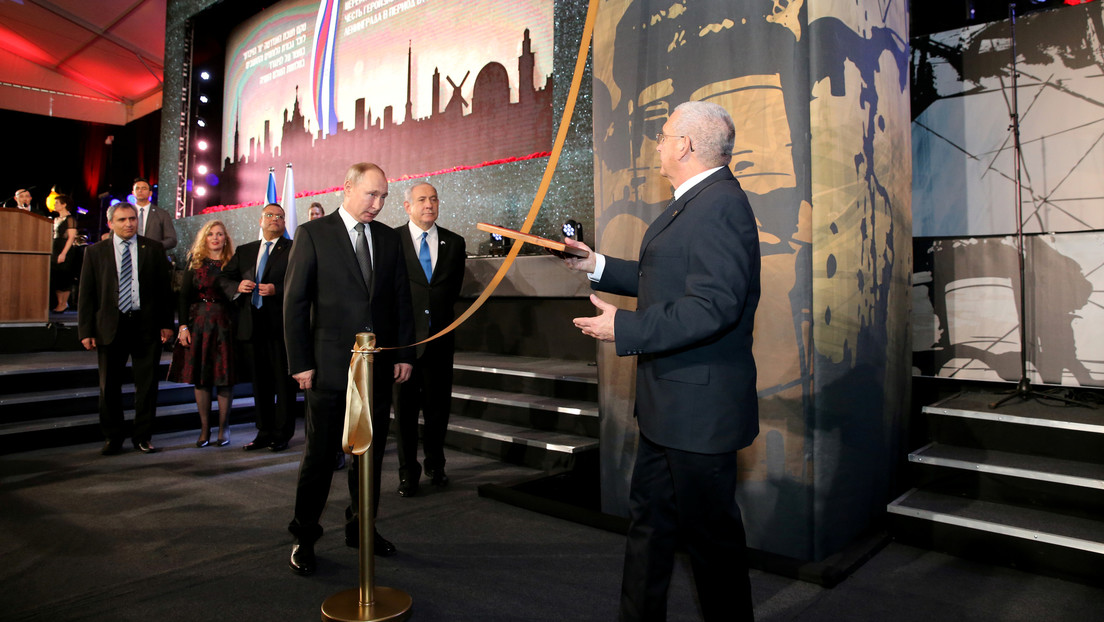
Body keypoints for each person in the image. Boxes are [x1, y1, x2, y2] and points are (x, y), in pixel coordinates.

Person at [561, 101, 761, 622]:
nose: (657, 143)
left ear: (685, 146)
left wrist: (622, 327)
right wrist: (595, 263)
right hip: (669, 408)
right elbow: (664, 274)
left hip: (697, 412)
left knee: (711, 546)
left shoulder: (720, 206)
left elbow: (713, 307)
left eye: (663, 134)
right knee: (649, 529)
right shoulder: (696, 202)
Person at [283, 162, 415, 576]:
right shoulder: (313, 235)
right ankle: (305, 536)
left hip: (375, 372)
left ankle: (362, 529)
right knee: (320, 458)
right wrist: (301, 363)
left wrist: (404, 354)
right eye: (371, 195)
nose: (377, 204)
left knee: (370, 457)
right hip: (326, 369)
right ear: (347, 189)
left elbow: (400, 300)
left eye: (384, 197)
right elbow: (295, 304)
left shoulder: (389, 240)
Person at [78, 203, 174, 455]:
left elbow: (164, 291)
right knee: (108, 386)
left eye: (132, 218)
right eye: (122, 220)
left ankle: (143, 437)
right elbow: (86, 294)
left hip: (146, 326)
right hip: (110, 327)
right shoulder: (95, 252)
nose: (129, 223)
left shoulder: (153, 248)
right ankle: (113, 437)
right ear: (111, 223)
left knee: (147, 386)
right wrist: (85, 330)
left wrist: (167, 323)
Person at [393, 182, 466, 496]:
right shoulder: (391, 240)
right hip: (404, 345)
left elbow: (452, 291)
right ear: (408, 206)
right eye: (422, 199)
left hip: (440, 342)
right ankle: (408, 473)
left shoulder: (455, 242)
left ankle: (436, 464)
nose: (429, 204)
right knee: (406, 414)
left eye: (434, 199)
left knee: (438, 410)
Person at [219, 203, 297, 452]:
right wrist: (237, 286)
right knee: (260, 384)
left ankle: (282, 434)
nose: (275, 219)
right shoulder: (245, 250)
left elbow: (307, 282)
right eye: (271, 215)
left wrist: (278, 289)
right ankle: (263, 431)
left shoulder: (294, 249)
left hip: (281, 329)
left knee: (283, 385)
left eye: (280, 217)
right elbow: (223, 277)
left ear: (285, 223)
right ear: (261, 220)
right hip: (251, 329)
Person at [170, 221, 237, 447]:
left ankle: (224, 429)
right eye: (211, 234)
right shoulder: (195, 262)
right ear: (204, 238)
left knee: (225, 379)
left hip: (225, 324)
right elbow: (183, 297)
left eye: (220, 234)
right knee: (202, 378)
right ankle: (205, 430)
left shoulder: (232, 263)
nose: (216, 238)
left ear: (225, 238)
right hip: (199, 323)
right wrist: (182, 327)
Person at [130, 178, 178, 252]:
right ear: (133, 193)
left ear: (150, 193)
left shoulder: (162, 214)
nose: (140, 190)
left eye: (144, 188)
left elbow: (171, 240)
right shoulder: (127, 213)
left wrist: (155, 246)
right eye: (137, 188)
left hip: (154, 258)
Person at [51, 194, 78, 312]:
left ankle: (64, 303)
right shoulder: (56, 219)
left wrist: (63, 254)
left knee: (65, 276)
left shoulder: (70, 219)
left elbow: (71, 238)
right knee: (56, 276)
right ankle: (60, 303)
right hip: (54, 248)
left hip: (65, 249)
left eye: (57, 203)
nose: (55, 205)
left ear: (64, 204)